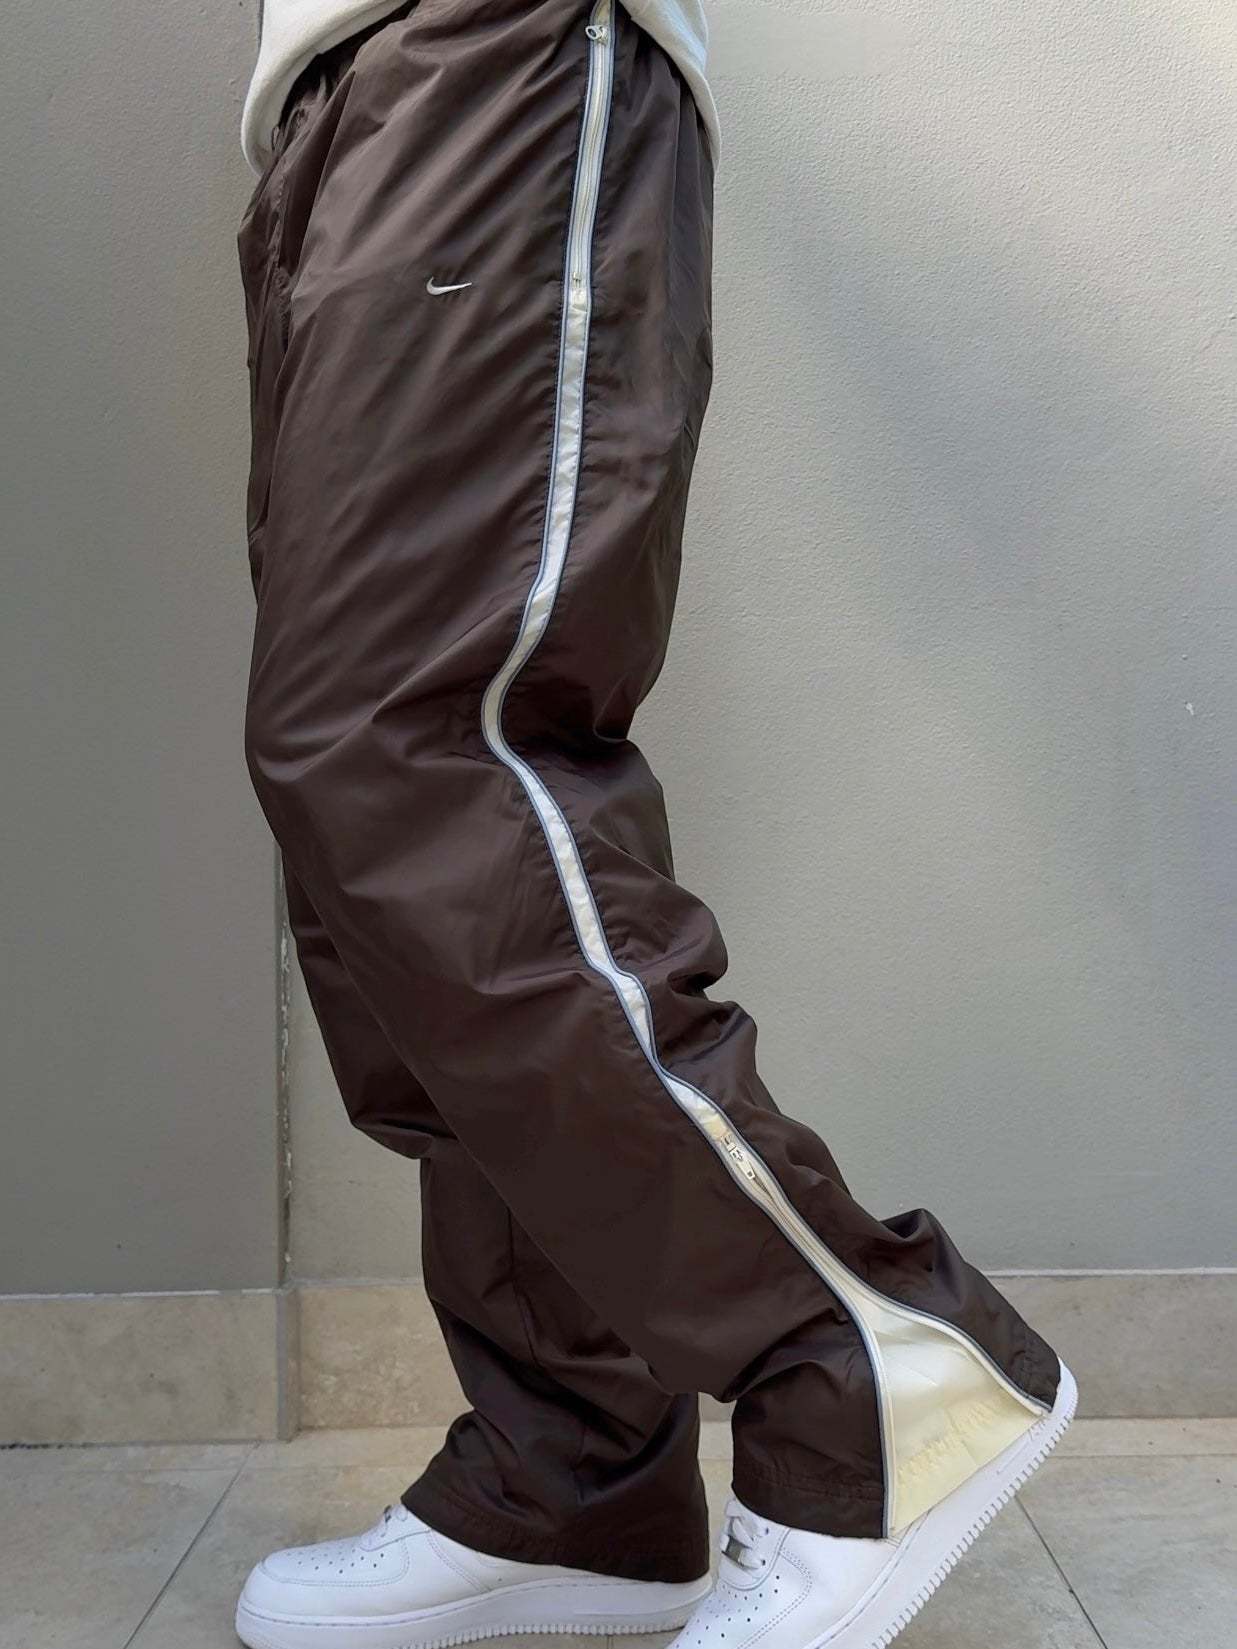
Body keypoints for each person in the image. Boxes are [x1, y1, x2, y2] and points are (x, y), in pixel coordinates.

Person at [232, 3, 1076, 1647]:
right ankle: (576, 1469)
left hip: (492, 53)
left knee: (419, 751)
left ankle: (868, 1370)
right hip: (342, 95)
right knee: (363, 802)